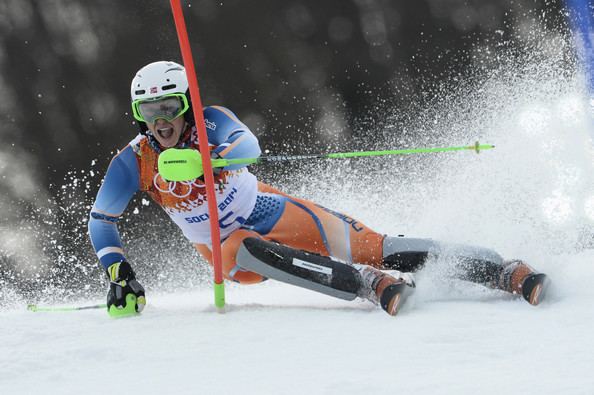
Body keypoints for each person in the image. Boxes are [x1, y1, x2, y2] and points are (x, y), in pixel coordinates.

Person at [89, 61, 549, 317]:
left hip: (269, 207)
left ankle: (501, 270)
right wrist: (118, 272)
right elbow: (101, 221)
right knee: (241, 245)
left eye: (169, 106)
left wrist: (212, 157)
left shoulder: (211, 120)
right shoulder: (134, 161)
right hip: (224, 248)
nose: (161, 121)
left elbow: (248, 144)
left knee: (371, 244)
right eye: (148, 111)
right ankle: (365, 287)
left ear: (186, 102)